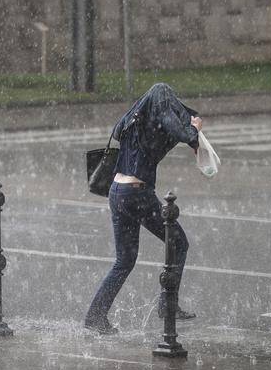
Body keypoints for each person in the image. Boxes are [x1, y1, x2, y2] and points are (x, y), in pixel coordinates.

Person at [84, 83, 203, 335]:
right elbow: (184, 133)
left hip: (116, 192)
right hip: (136, 193)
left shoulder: (133, 120)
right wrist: (194, 130)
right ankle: (167, 305)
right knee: (179, 242)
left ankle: (95, 315)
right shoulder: (156, 121)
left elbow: (118, 132)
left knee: (124, 261)